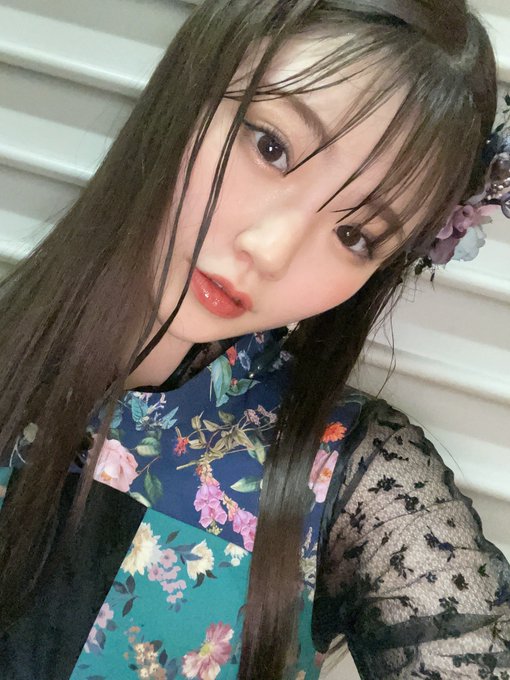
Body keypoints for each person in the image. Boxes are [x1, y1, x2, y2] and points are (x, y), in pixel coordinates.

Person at [0, 0, 509, 678]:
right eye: (271, 147)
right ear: (193, 85)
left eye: (355, 235)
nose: (270, 250)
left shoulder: (356, 490)